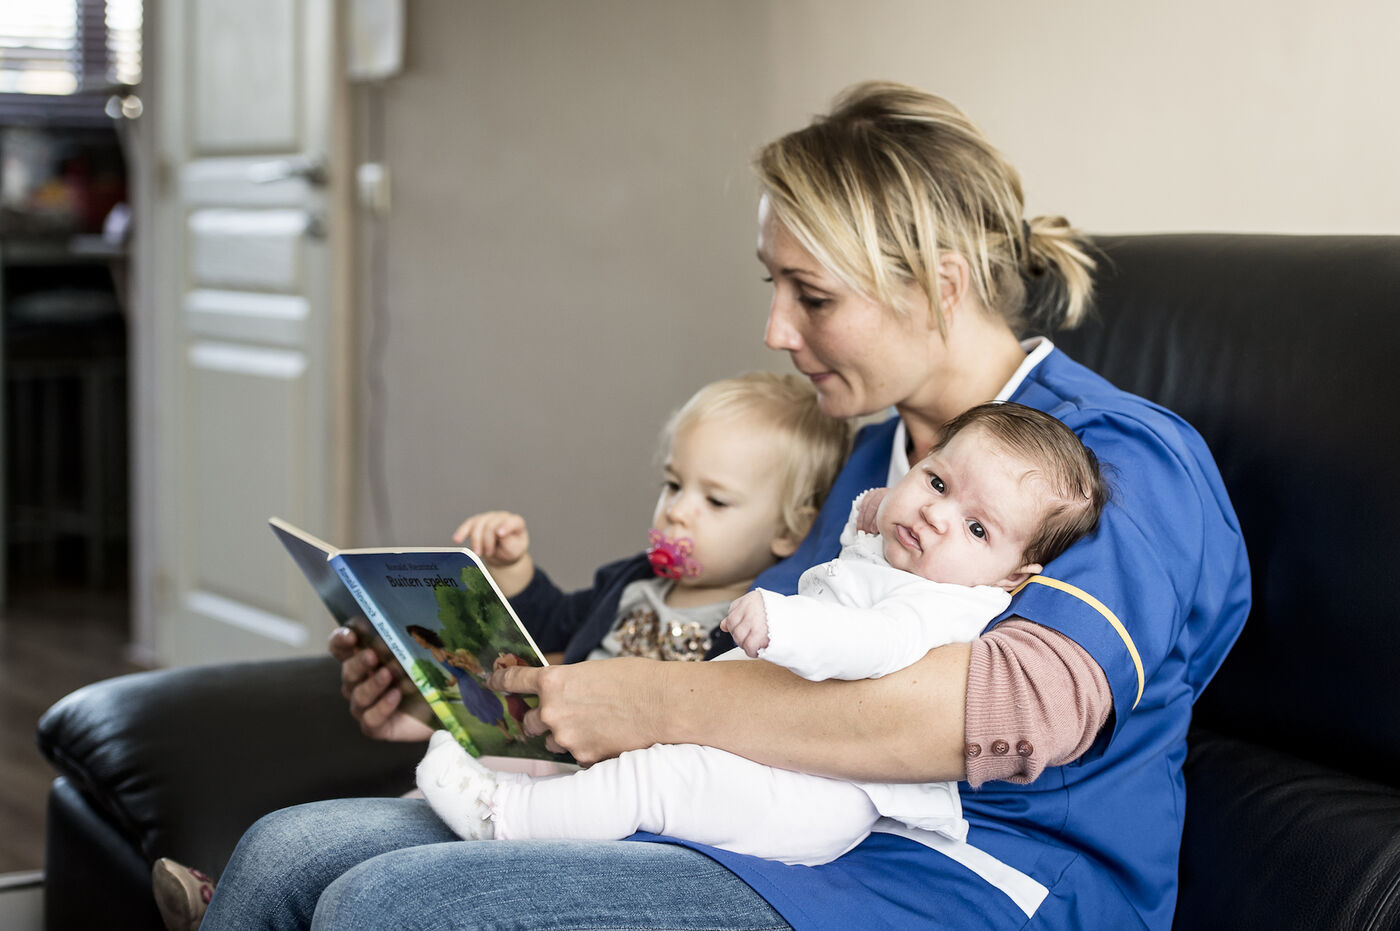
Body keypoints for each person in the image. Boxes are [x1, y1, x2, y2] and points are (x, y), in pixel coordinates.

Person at [204, 81, 1249, 931]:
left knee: (386, 907)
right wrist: (487, 700)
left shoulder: (1121, 458)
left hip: (971, 883)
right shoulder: (875, 457)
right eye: (772, 286)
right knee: (283, 854)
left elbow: (1013, 709)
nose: (775, 332)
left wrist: (648, 705)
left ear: (938, 281)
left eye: (812, 295)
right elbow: (744, 673)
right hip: (763, 822)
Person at [417, 402, 1108, 867]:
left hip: (811, 797)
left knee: (657, 777)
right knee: (642, 759)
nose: (937, 516)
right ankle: (514, 771)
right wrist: (872, 513)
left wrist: (783, 622)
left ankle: (506, 817)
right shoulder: (909, 557)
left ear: (1015, 576)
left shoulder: (943, 607)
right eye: (935, 482)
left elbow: (873, 645)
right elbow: (852, 566)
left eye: (978, 527)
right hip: (777, 758)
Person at [452, 371, 849, 667]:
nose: (676, 511)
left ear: (789, 530)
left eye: (715, 500)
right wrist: (513, 568)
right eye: (674, 485)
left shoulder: (756, 625)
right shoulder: (631, 582)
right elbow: (549, 628)